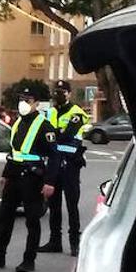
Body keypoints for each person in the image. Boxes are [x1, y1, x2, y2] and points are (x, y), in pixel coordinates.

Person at [0, 87, 59, 272]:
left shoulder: (45, 126)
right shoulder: (17, 122)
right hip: (14, 176)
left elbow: (54, 157)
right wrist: (5, 174)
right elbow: (14, 153)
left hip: (32, 177)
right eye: (22, 99)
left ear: (36, 103)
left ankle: (29, 260)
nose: (23, 103)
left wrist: (50, 182)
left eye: (28, 100)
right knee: (5, 217)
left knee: (32, 220)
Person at [39, 79, 91, 256]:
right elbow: (47, 135)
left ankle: (74, 243)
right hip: (54, 164)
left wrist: (56, 134)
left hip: (70, 164)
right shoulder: (50, 112)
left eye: (62, 92)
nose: (58, 95)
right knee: (54, 204)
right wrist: (56, 134)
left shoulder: (77, 112)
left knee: (71, 205)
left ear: (69, 94)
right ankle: (55, 241)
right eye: (56, 91)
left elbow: (67, 135)